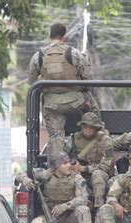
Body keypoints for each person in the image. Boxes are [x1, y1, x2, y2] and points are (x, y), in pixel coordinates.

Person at [28, 22, 101, 158]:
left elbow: (31, 81)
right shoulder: (74, 53)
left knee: (55, 137)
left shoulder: (38, 57)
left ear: (50, 35)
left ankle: (57, 169)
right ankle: (101, 135)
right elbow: (89, 77)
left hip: (52, 106)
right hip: (76, 102)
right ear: (64, 36)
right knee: (91, 102)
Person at [16, 152, 100, 223]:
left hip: (70, 217)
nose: (69, 165)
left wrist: (65, 206)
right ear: (56, 166)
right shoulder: (46, 174)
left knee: (83, 210)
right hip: (50, 217)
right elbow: (20, 174)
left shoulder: (77, 178)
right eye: (65, 163)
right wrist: (25, 179)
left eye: (69, 162)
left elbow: (83, 199)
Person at [65, 112, 113, 209]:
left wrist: (84, 168)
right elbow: (63, 157)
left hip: (96, 174)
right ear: (81, 126)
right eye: (85, 127)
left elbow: (106, 165)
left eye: (91, 127)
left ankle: (99, 209)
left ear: (96, 128)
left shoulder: (105, 140)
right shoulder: (74, 138)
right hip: (76, 173)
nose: (87, 130)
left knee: (97, 175)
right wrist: (71, 165)